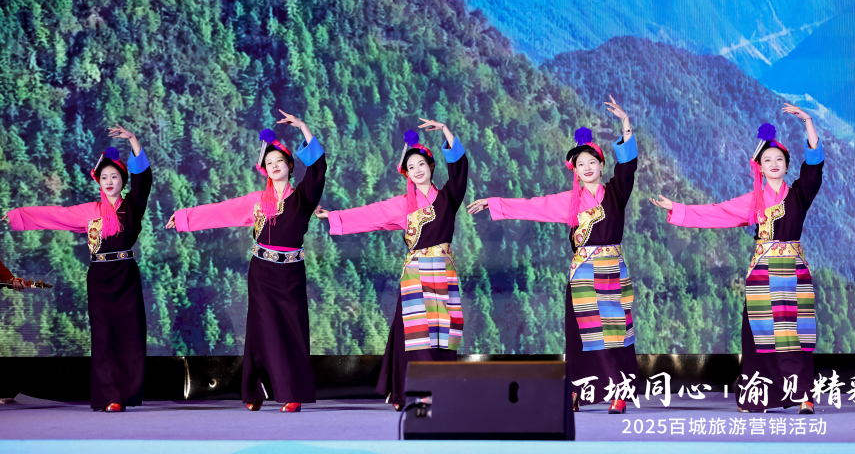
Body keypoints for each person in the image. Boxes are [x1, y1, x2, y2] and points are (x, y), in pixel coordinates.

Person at [468, 97, 638, 414]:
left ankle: (619, 391)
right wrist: (494, 203)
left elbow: (628, 166)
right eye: (581, 164)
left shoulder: (616, 192)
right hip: (583, 273)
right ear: (575, 171)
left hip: (612, 272)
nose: (587, 168)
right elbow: (532, 206)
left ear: (602, 166)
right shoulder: (568, 202)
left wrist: (626, 126)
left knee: (614, 331)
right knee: (581, 333)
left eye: (592, 162)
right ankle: (578, 389)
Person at [650, 103, 823, 414]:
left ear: (787, 166)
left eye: (779, 159)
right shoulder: (753, 201)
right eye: (767, 160)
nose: (773, 164)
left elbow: (814, 164)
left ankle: (802, 395)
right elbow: (716, 213)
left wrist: (808, 122)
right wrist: (677, 208)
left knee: (794, 334)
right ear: (759, 167)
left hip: (793, 273)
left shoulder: (799, 194)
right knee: (759, 336)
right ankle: (760, 397)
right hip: (763, 274)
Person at [166, 110, 325, 412]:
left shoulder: (304, 197)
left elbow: (318, 169)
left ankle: (292, 393)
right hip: (262, 271)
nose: (274, 165)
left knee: (291, 330)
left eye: (280, 161)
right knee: (260, 328)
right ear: (264, 170)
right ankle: (255, 389)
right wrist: (185, 217)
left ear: (290, 165)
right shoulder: (257, 202)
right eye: (269, 162)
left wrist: (303, 127)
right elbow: (221, 211)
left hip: (291, 274)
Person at [315, 119, 467, 410]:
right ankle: (420, 394)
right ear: (406, 174)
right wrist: (333, 217)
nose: (417, 170)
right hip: (416, 275)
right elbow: (370, 214)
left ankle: (425, 390)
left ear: (431, 166)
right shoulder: (403, 205)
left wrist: (447, 132)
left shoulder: (448, 197)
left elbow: (459, 170)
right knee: (417, 336)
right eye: (411, 167)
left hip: (444, 274)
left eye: (421, 164)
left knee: (443, 335)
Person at [4, 125, 151, 412]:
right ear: (99, 181)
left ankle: (128, 392)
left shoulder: (133, 205)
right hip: (99, 278)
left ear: (123, 180)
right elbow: (55, 215)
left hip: (126, 275)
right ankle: (110, 396)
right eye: (104, 177)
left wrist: (133, 140)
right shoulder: (90, 211)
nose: (109, 181)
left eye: (115, 176)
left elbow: (143, 177)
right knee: (103, 336)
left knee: (130, 334)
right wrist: (18, 215)